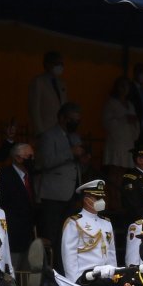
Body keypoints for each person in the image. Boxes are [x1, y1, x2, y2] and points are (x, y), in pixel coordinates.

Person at [35, 102, 84, 260]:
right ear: (62, 118)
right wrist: (70, 152)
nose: (75, 123)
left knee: (67, 236)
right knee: (52, 236)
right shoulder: (49, 136)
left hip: (72, 193)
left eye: (78, 120)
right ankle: (49, 271)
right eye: (72, 119)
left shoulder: (75, 137)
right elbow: (46, 162)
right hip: (53, 194)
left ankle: (62, 269)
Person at [0, 143, 37, 271]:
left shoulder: (30, 176)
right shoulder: (4, 176)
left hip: (28, 237)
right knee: (11, 274)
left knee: (27, 276)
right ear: (18, 158)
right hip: (12, 237)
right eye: (29, 156)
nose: (32, 160)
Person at [101, 77, 140, 170]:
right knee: (114, 170)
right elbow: (106, 122)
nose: (124, 89)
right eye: (122, 86)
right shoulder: (111, 103)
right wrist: (124, 119)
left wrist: (135, 121)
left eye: (126, 86)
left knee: (124, 171)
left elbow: (135, 122)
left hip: (128, 141)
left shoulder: (130, 104)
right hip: (116, 142)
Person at [28, 51, 67, 138]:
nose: (61, 66)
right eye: (57, 63)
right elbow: (34, 109)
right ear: (48, 64)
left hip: (60, 131)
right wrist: (40, 131)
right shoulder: (39, 82)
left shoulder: (61, 83)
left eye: (62, 63)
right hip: (45, 130)